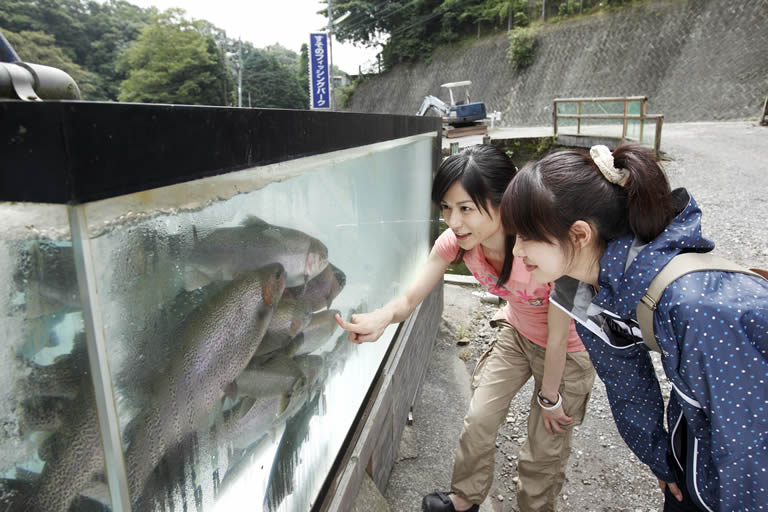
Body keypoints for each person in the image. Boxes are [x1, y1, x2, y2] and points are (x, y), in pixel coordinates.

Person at [500, 143, 768, 512]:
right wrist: (662, 460)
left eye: (526, 237)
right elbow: (628, 386)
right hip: (703, 437)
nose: (516, 252)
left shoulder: (695, 307)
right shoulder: (586, 287)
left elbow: (747, 445)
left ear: (579, 234)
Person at [334, 144, 595, 512]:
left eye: (466, 208)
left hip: (566, 351)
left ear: (502, 201)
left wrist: (549, 398)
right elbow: (410, 298)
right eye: (445, 208)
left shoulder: (539, 248)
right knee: (479, 418)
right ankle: (465, 498)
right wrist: (381, 318)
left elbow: (558, 336)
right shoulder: (458, 244)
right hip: (518, 335)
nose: (453, 222)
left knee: (542, 453)